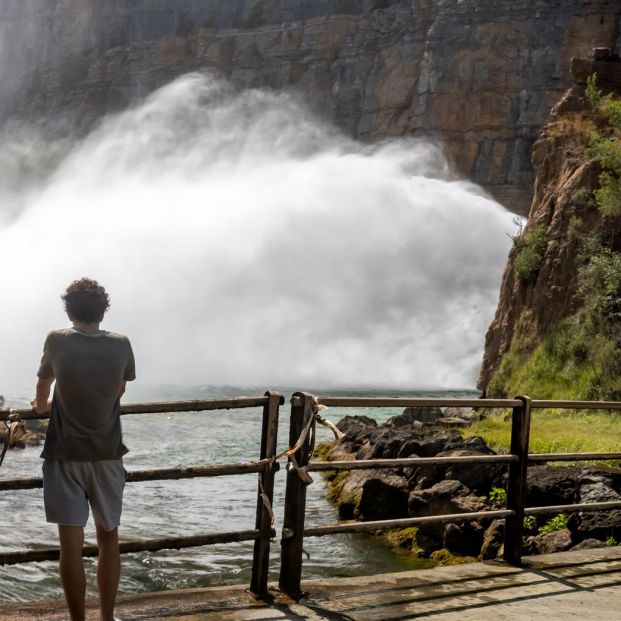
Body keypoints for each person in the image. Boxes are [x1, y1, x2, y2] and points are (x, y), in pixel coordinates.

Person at [33, 278, 135, 621]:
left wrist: (42, 405)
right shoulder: (122, 345)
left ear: (68, 309)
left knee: (71, 547)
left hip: (64, 455)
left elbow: (43, 388)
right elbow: (120, 389)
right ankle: (106, 617)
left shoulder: (56, 341)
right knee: (109, 538)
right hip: (107, 454)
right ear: (103, 311)